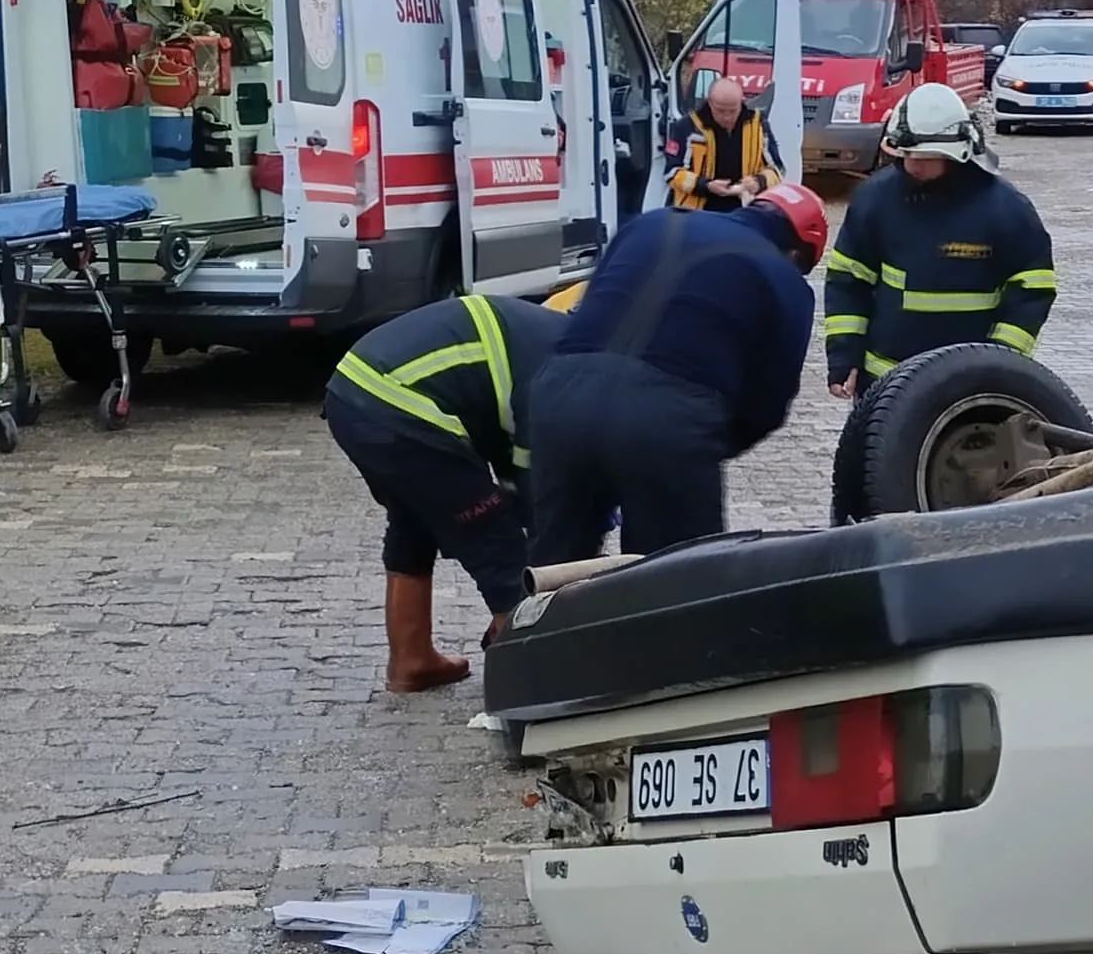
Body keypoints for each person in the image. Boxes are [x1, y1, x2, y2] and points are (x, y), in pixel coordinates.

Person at [528, 184, 827, 564]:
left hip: (560, 397)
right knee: (673, 582)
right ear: (798, 251)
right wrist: (707, 440)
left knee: (554, 569)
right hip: (668, 419)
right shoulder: (784, 278)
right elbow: (768, 402)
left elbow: (590, 305)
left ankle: (539, 621)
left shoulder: (650, 223)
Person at [324, 287, 564, 691]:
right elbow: (533, 481)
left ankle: (411, 660)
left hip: (352, 395)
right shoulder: (563, 369)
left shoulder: (548, 336)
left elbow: (518, 468)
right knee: (497, 544)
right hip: (399, 407)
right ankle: (530, 686)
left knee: (414, 522)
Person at [823, 80, 1057, 399]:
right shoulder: (875, 201)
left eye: (924, 156)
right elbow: (848, 281)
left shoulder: (1005, 209)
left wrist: (1003, 359)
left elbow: (1033, 288)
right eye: (907, 153)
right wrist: (843, 356)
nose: (912, 163)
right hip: (886, 384)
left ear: (956, 153)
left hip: (973, 385)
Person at [666, 66, 783, 209]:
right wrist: (705, 185)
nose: (727, 117)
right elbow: (671, 173)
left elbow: (778, 169)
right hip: (697, 213)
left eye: (733, 110)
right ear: (709, 102)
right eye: (720, 110)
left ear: (742, 101)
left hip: (745, 210)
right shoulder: (687, 126)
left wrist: (759, 181)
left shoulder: (758, 125)